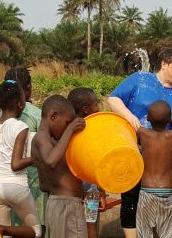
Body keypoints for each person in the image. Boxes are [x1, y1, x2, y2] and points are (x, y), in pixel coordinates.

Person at [108, 46, 172, 238]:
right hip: (133, 152)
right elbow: (114, 98)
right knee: (131, 197)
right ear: (164, 63)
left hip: (159, 162)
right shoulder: (140, 79)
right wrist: (130, 117)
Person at [0, 80, 41, 238]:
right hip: (15, 186)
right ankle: (4, 230)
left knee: (2, 234)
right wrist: (37, 158)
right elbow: (16, 164)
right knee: (35, 230)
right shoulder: (20, 127)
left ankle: (2, 230)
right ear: (20, 104)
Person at [31, 95, 87, 238]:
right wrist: (70, 131)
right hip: (67, 206)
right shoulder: (41, 137)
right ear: (54, 116)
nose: (67, 127)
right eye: (67, 123)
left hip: (59, 204)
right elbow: (50, 161)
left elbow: (44, 185)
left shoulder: (49, 140)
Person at [67, 87, 107, 238]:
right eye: (96, 104)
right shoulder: (93, 131)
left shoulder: (66, 129)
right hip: (90, 191)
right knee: (90, 225)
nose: (98, 107)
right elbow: (100, 163)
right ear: (85, 109)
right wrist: (102, 192)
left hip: (70, 192)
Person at [136, 100, 172, 238]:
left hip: (147, 190)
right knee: (168, 233)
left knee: (144, 232)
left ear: (147, 118)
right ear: (169, 119)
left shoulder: (142, 133)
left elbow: (137, 142)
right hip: (166, 190)